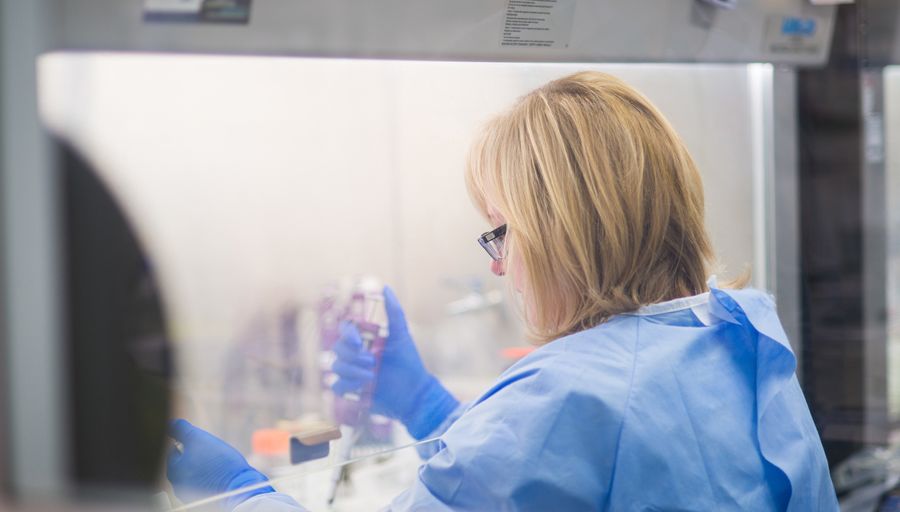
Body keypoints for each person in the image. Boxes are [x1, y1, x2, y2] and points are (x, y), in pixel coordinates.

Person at [166, 71, 839, 511]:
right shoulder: (739, 330)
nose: (497, 266)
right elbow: (562, 480)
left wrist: (235, 494)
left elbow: (553, 445)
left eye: (500, 233)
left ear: (563, 232)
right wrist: (427, 407)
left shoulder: (570, 392)